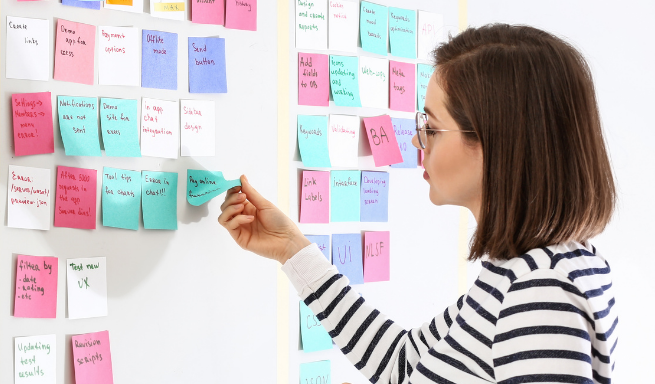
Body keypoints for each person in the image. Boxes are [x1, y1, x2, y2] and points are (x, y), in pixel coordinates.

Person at [219, 24, 617, 384]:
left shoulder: (541, 288)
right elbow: (403, 363)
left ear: (497, 142)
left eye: (431, 127)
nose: (417, 141)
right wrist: (291, 248)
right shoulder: (517, 271)